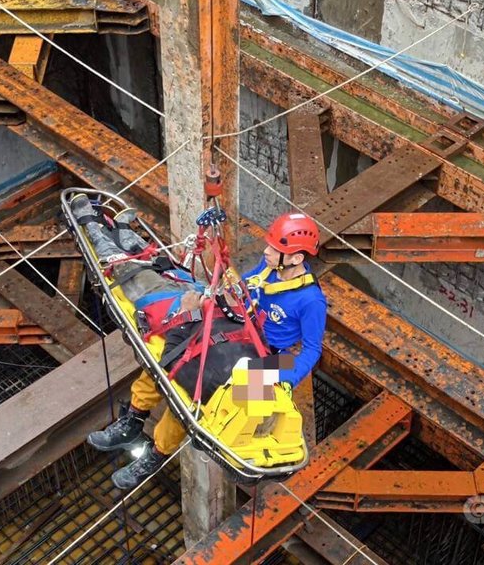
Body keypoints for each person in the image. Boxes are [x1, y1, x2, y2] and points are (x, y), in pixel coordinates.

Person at [87, 210, 327, 490]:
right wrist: (206, 300)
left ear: (296, 258)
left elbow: (312, 349)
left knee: (198, 402)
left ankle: (156, 455)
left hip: (269, 354)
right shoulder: (268, 269)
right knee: (168, 358)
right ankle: (133, 419)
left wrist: (284, 378)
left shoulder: (311, 301)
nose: (266, 251)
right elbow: (240, 289)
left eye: (275, 249)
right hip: (234, 329)